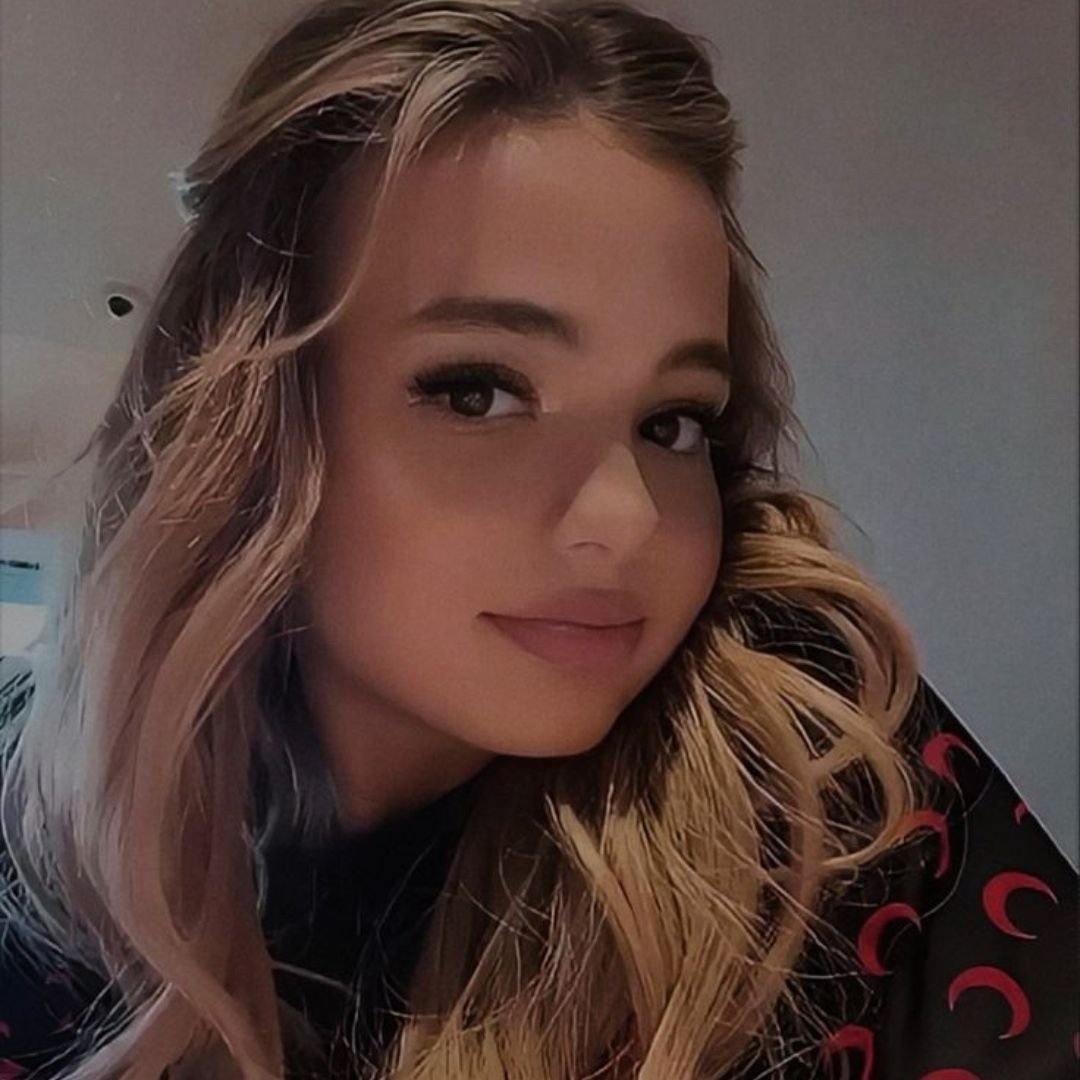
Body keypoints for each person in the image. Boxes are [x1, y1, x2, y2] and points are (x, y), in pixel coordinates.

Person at [0, 0, 1075, 1077]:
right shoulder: (29, 827)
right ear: (244, 424)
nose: (628, 516)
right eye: (478, 392)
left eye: (672, 422)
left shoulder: (820, 778)